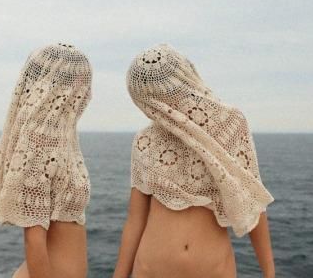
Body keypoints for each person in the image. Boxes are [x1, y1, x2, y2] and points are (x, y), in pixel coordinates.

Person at [113, 44, 275, 278]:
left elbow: (253, 201)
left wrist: (269, 273)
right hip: (149, 270)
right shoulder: (145, 140)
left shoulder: (230, 124)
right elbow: (135, 219)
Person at [0, 43, 92, 278]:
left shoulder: (64, 136)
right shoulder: (39, 140)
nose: (84, 89)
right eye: (79, 79)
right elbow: (34, 239)